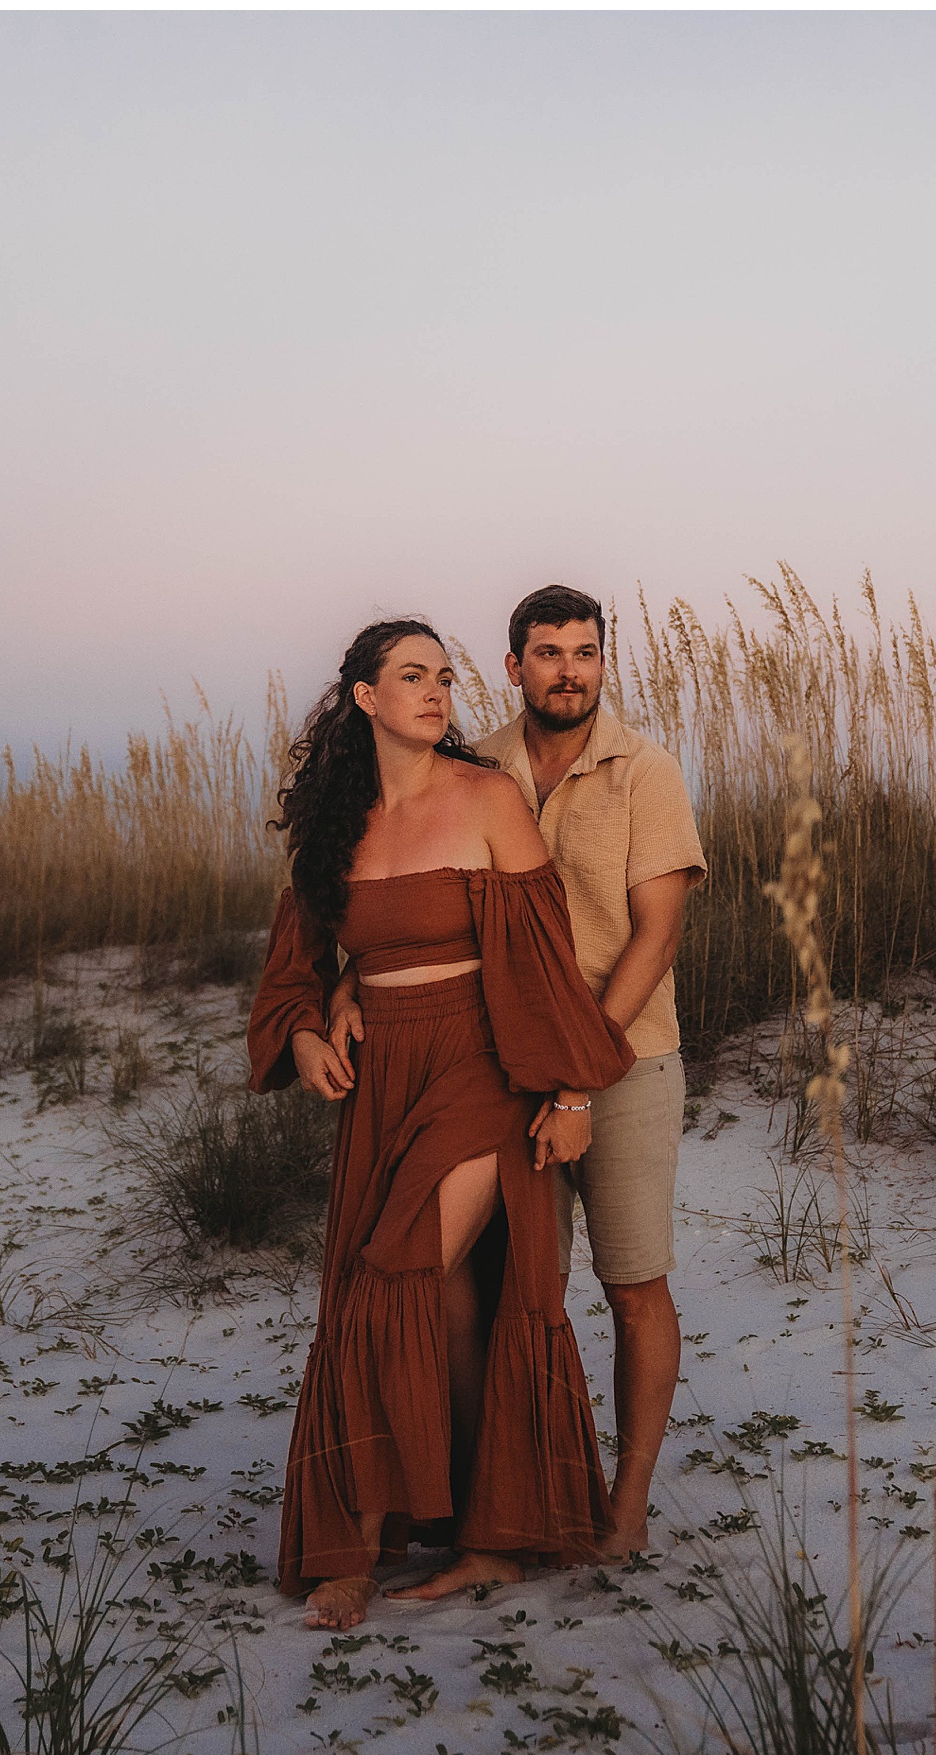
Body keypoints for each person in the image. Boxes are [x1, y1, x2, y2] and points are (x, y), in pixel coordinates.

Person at [246, 617, 634, 1631]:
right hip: (385, 1083)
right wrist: (308, 1028)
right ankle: (485, 1532)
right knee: (456, 1306)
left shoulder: (489, 798)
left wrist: (573, 1093)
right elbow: (298, 966)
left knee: (393, 1278)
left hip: (478, 1066)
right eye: (411, 676)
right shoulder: (336, 825)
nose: (435, 691)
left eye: (444, 676)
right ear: (365, 698)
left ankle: (356, 1546)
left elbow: (544, 961)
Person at [330, 587, 706, 1558]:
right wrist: (342, 987)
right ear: (515, 667)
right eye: (548, 652)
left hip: (619, 1060)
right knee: (511, 1292)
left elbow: (657, 934)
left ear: (602, 664)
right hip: (497, 1063)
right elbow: (393, 893)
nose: (569, 669)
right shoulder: (475, 764)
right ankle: (497, 1510)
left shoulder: (645, 771)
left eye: (586, 652)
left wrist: (577, 1077)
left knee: (633, 1284)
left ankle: (623, 1508)